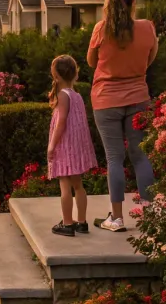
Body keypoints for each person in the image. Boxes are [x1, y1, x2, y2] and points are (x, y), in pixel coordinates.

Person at [86, 0, 157, 232]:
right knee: (140, 155)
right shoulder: (147, 27)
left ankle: (116, 219)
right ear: (133, 1)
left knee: (114, 158)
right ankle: (150, 215)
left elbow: (91, 61)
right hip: (138, 97)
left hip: (106, 100)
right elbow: (150, 58)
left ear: (109, 2)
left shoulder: (101, 29)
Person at [46, 54, 98, 237]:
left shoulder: (62, 95)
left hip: (64, 147)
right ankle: (82, 222)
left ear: (56, 76)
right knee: (78, 185)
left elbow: (61, 123)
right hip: (76, 148)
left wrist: (52, 145)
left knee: (64, 186)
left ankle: (67, 223)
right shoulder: (76, 95)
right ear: (75, 74)